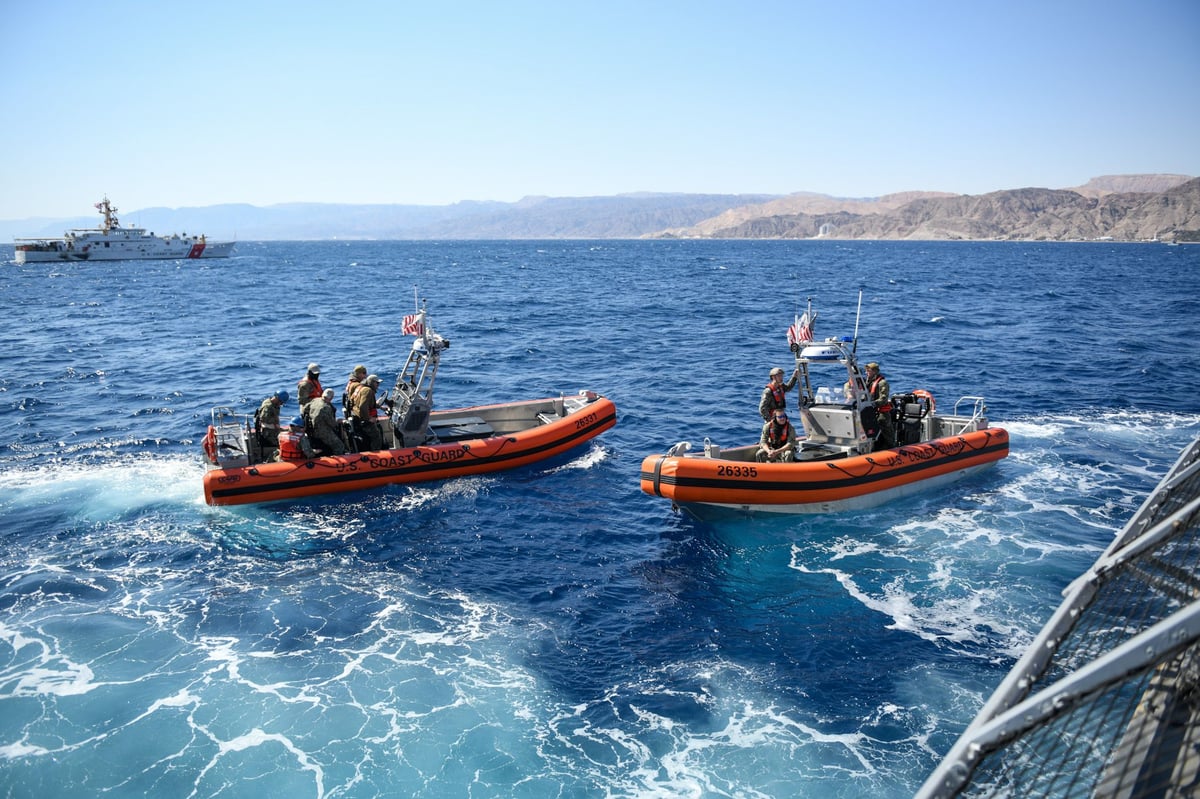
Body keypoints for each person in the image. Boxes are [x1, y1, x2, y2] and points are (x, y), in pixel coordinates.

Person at [304, 388, 346, 456]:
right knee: (339, 445)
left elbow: (305, 410)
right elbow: (332, 424)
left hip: (311, 429)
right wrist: (338, 421)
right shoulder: (325, 407)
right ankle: (338, 462)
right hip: (322, 432)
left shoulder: (315, 400)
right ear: (331, 398)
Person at [349, 373, 383, 451]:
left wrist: (380, 407)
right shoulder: (368, 391)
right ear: (371, 382)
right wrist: (369, 418)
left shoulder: (360, 388)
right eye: (376, 383)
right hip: (365, 421)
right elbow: (362, 406)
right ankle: (376, 454)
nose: (378, 385)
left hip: (358, 418)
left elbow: (355, 402)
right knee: (376, 436)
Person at [864, 362, 895, 448]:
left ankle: (892, 449)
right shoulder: (867, 382)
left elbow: (883, 399)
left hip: (881, 413)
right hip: (871, 412)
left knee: (888, 434)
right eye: (866, 371)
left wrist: (872, 404)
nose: (866, 373)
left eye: (868, 371)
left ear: (874, 371)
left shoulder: (882, 383)